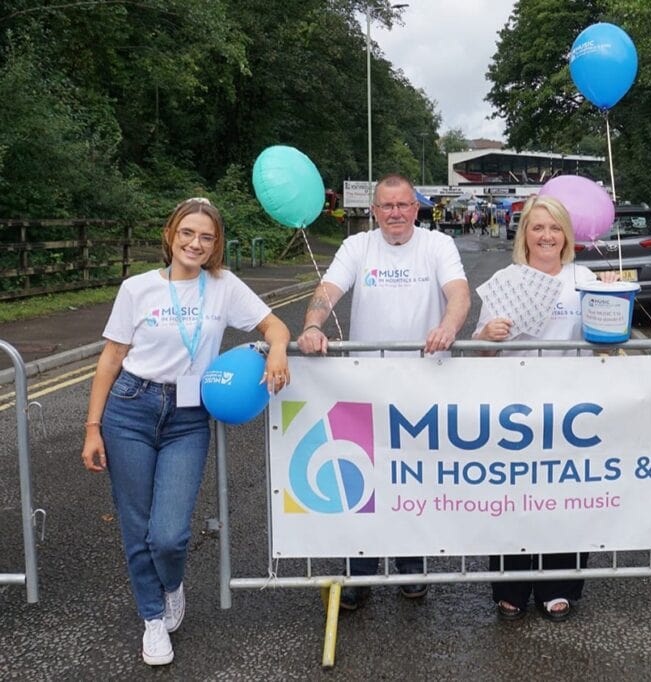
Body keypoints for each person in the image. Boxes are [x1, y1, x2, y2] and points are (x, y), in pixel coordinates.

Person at [81, 197, 290, 666]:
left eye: (207, 237)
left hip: (188, 414)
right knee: (137, 527)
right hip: (130, 408)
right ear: (171, 234)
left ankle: (172, 583)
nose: (196, 243)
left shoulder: (222, 286)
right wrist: (93, 426)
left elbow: (274, 324)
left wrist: (276, 350)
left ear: (216, 246)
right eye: (188, 233)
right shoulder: (137, 289)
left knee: (170, 534)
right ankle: (153, 619)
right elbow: (111, 359)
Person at [296, 173, 470, 609]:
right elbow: (328, 289)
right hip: (365, 386)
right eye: (386, 206)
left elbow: (459, 294)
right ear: (373, 211)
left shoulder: (437, 245)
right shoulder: (358, 247)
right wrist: (312, 325)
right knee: (363, 476)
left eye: (404, 205)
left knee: (413, 477)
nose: (395, 213)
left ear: (416, 208)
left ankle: (413, 566)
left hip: (423, 382)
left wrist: (449, 326)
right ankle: (360, 571)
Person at [472, 194, 617, 621]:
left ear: (566, 235)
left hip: (572, 412)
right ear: (525, 235)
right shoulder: (507, 279)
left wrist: (611, 305)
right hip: (514, 413)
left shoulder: (585, 276)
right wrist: (487, 336)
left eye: (554, 228)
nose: (547, 235)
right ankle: (512, 587)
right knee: (513, 498)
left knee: (566, 497)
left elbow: (609, 340)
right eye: (538, 227)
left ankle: (561, 585)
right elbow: (479, 351)